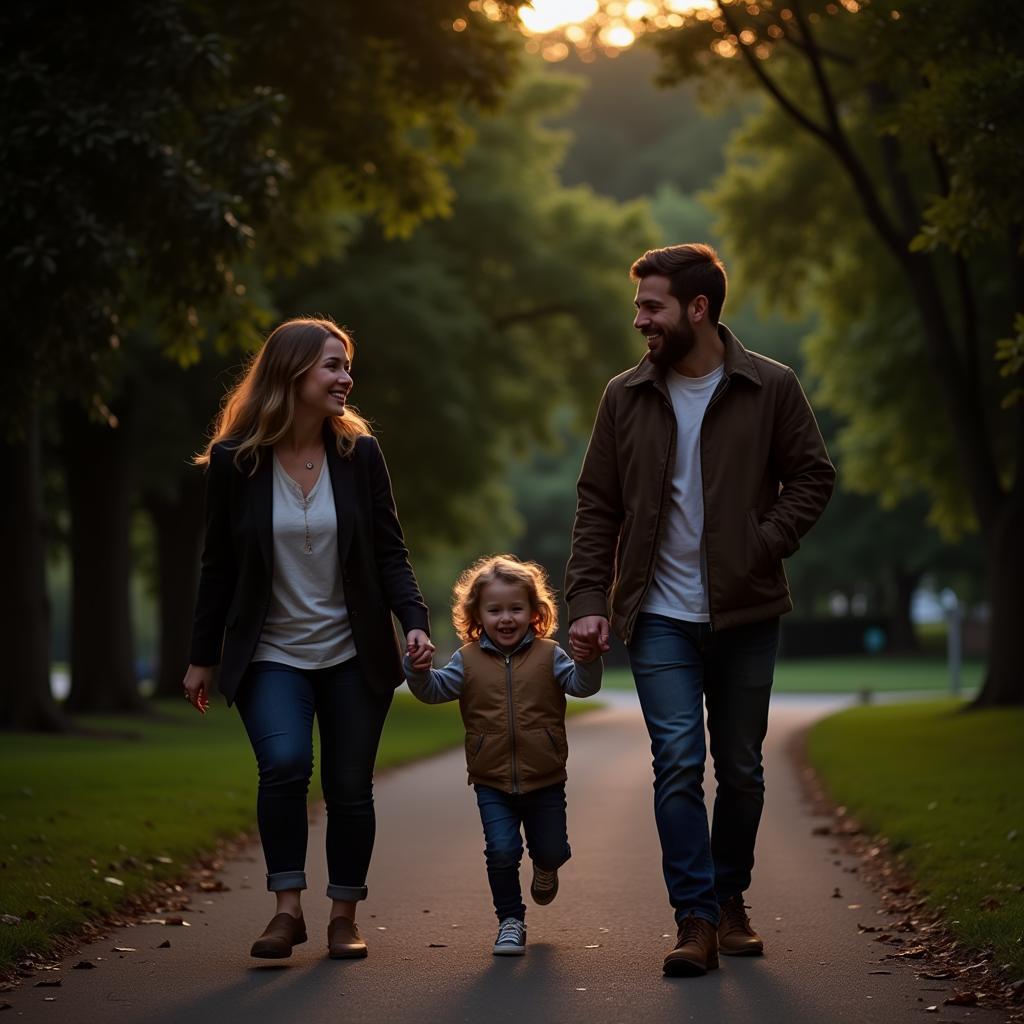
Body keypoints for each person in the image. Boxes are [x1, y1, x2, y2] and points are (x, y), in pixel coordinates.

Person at [565, 244, 835, 977]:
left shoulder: (770, 386)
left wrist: (763, 543)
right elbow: (598, 507)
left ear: (697, 308)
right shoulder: (624, 396)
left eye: (650, 307)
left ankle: (729, 897)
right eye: (637, 307)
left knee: (742, 768)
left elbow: (813, 475)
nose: (639, 320)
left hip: (746, 611)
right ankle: (695, 920)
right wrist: (588, 600)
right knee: (678, 763)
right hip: (657, 615)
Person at [182, 317, 434, 961]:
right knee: (286, 764)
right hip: (269, 654)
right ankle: (286, 910)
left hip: (354, 655)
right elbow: (217, 566)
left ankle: (343, 917)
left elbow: (390, 553)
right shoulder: (237, 462)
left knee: (350, 786)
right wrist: (201, 656)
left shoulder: (360, 455)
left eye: (346, 365)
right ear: (292, 373)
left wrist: (415, 622)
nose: (345, 378)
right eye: (332, 365)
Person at [403, 555, 602, 956]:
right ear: (478, 614)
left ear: (534, 612)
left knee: (550, 849)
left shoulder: (550, 655)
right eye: (495, 610)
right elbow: (434, 691)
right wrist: (418, 671)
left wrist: (588, 659)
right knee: (502, 850)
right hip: (491, 780)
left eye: (516, 608)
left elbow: (582, 686)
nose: (506, 618)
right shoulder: (467, 660)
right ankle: (510, 920)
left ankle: (547, 867)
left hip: (545, 778)